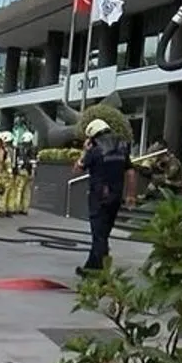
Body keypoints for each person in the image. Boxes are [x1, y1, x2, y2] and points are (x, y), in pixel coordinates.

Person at [73, 118, 137, 277]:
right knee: (103, 233)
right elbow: (130, 172)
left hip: (99, 197)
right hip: (116, 197)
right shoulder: (122, 146)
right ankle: (90, 267)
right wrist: (130, 195)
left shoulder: (95, 150)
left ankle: (102, 272)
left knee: (99, 235)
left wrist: (85, 152)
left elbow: (77, 170)